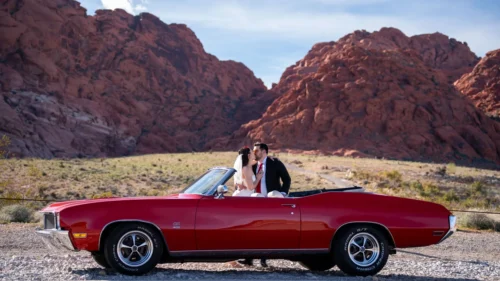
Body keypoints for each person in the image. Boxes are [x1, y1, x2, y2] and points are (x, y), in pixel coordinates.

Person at [237, 142, 291, 268]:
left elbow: (286, 179)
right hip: (256, 201)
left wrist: (282, 194)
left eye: (256, 151)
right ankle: (249, 259)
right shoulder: (253, 165)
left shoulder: (275, 163)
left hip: (271, 201)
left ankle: (263, 259)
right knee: (252, 230)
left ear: (264, 152)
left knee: (267, 230)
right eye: (254, 151)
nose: (254, 153)